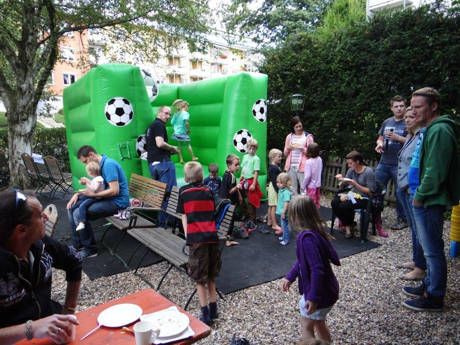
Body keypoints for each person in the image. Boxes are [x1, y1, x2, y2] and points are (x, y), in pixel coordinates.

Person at [402, 87, 460, 312]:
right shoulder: (431, 129)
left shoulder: (440, 130)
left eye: (418, 107)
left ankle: (434, 297)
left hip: (428, 200)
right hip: (424, 198)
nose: (413, 111)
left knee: (433, 250)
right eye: (412, 107)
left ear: (433, 106)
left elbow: (436, 170)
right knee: (429, 249)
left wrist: (420, 196)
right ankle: (428, 285)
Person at [0, 190, 81, 344]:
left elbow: (74, 261)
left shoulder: (41, 244)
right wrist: (31, 328)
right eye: (39, 215)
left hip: (51, 332)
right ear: (21, 230)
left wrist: (69, 310)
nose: (46, 216)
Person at [282, 195, 340, 344]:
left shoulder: (308, 239)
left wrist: (313, 298)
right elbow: (303, 261)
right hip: (325, 290)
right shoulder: (315, 232)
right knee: (319, 322)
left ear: (295, 216)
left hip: (319, 294)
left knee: (307, 325)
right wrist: (290, 276)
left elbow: (317, 269)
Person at [177, 162, 221, 325]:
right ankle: (214, 309)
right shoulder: (208, 191)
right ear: (202, 176)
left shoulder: (183, 191)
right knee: (210, 275)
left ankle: (205, 315)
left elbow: (184, 215)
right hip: (212, 237)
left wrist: (187, 235)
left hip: (197, 240)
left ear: (186, 178)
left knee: (199, 279)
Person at [67, 145, 129, 258]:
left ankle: (90, 249)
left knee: (78, 213)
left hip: (117, 202)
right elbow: (94, 187)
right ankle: (78, 244)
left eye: (85, 161)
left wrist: (92, 194)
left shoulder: (108, 165)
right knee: (71, 206)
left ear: (91, 155)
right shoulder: (98, 165)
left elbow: (114, 191)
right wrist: (77, 193)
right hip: (105, 197)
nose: (86, 165)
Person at [396, 107, 426, 281]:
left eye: (411, 117)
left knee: (418, 228)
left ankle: (421, 267)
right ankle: (416, 260)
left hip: (411, 189)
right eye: (406, 117)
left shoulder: (422, 137)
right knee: (413, 228)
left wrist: (410, 187)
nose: (407, 120)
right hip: (403, 188)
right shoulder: (410, 136)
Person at [375, 95, 408, 230]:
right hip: (384, 162)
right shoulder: (387, 122)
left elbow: (414, 142)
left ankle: (402, 219)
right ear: (391, 108)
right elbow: (380, 138)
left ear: (405, 107)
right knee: (376, 187)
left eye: (401, 106)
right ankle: (376, 215)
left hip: (400, 164)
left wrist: (398, 138)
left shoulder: (409, 121)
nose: (399, 109)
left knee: (400, 193)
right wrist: (379, 144)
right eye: (396, 106)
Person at [331, 151, 377, 239]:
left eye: (350, 163)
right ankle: (349, 225)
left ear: (357, 162)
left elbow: (370, 192)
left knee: (344, 205)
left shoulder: (368, 171)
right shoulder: (351, 170)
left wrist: (355, 184)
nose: (349, 165)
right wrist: (341, 179)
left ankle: (348, 228)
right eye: (348, 163)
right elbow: (344, 185)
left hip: (364, 198)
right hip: (352, 194)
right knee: (334, 202)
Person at [145, 105, 179, 227]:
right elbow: (159, 143)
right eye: (166, 113)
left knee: (162, 195)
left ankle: (163, 223)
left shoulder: (150, 127)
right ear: (159, 113)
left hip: (153, 165)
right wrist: (172, 148)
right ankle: (164, 225)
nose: (168, 116)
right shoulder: (159, 125)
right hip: (163, 164)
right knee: (170, 195)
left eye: (170, 114)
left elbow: (151, 146)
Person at [283, 116, 314, 195]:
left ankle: (304, 206)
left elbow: (312, 153)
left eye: (300, 126)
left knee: (304, 189)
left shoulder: (308, 136)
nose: (299, 128)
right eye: (296, 127)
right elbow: (285, 153)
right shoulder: (289, 137)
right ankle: (295, 206)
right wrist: (288, 148)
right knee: (292, 189)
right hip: (290, 166)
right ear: (293, 127)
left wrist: (302, 148)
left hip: (303, 166)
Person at [219, 154, 243, 244]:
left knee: (230, 219)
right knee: (229, 219)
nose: (238, 167)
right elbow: (229, 191)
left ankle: (227, 237)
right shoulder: (230, 176)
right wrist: (237, 187)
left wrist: (239, 195)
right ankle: (227, 240)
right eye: (236, 165)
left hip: (228, 201)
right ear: (229, 165)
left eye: (238, 164)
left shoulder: (228, 174)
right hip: (228, 202)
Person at [240, 139, 263, 231]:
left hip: (250, 181)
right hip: (244, 180)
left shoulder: (256, 159)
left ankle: (252, 219)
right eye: (250, 147)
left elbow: (256, 172)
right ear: (247, 148)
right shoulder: (245, 157)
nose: (252, 149)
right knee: (241, 198)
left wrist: (253, 184)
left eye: (254, 148)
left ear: (256, 149)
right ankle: (245, 213)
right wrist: (241, 179)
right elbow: (243, 168)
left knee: (251, 201)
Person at [75, 161, 105, 231]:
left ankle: (82, 222)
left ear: (91, 172)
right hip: (93, 196)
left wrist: (86, 183)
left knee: (83, 205)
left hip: (96, 197)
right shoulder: (96, 178)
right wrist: (86, 182)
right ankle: (80, 221)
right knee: (80, 200)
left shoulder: (99, 179)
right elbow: (92, 186)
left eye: (88, 171)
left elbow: (95, 189)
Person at [171, 99, 198, 164]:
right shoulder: (185, 113)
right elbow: (186, 123)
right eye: (187, 107)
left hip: (177, 133)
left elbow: (172, 122)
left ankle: (181, 159)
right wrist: (188, 129)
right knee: (188, 144)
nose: (188, 108)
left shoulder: (176, 114)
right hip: (183, 133)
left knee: (179, 145)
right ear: (185, 106)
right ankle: (193, 157)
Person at [301, 143, 322, 209]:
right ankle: (315, 217)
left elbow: (308, 176)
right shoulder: (319, 159)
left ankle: (309, 218)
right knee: (316, 203)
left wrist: (303, 186)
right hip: (318, 185)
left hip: (311, 186)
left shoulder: (308, 162)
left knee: (310, 205)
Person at [267, 148, 283, 234]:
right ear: (273, 157)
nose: (281, 158)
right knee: (274, 206)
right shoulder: (273, 168)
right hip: (274, 188)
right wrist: (278, 191)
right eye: (279, 156)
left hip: (273, 187)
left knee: (271, 205)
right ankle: (274, 224)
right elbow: (274, 181)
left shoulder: (276, 166)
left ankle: (269, 221)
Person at [276, 172, 292, 246]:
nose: (278, 184)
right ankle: (284, 236)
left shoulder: (286, 192)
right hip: (280, 211)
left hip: (284, 212)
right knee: (283, 225)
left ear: (286, 183)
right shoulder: (281, 190)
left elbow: (286, 203)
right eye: (277, 182)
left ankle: (286, 240)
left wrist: (283, 212)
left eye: (281, 183)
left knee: (284, 226)